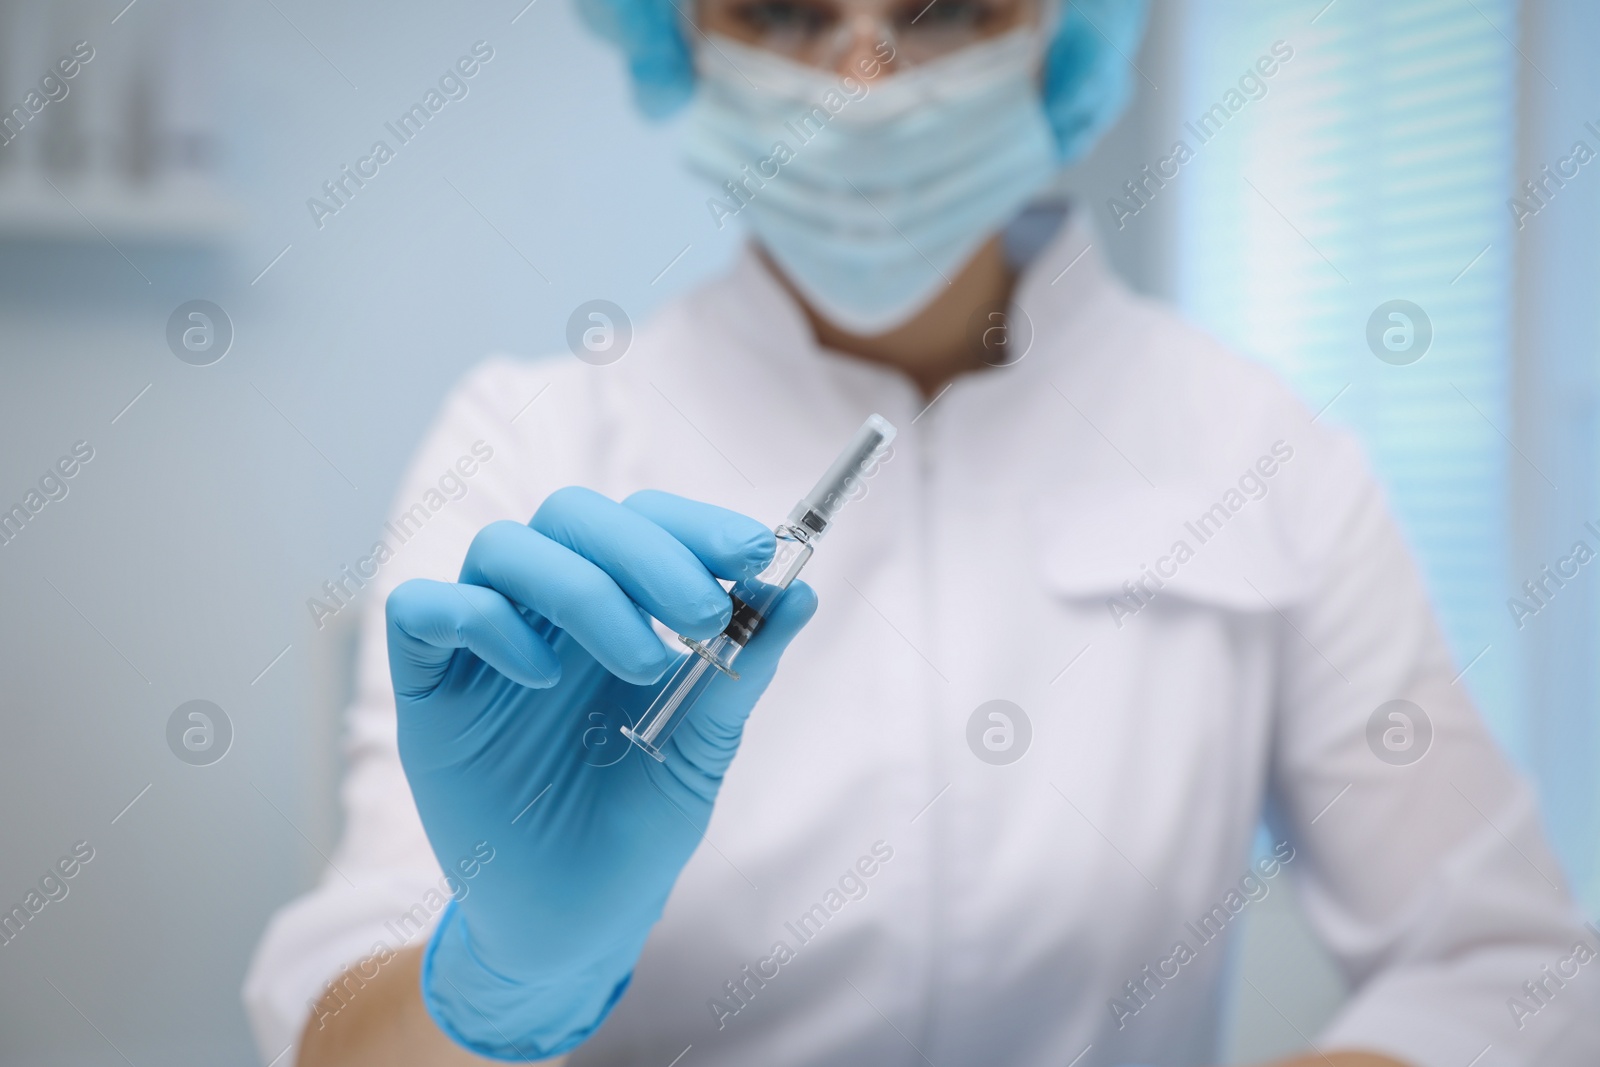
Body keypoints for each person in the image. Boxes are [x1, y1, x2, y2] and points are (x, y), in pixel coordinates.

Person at [243, 1, 1600, 1064]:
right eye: (780, 11)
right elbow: (337, 1031)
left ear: (1062, 31)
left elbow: (1512, 975)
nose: (867, 80)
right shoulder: (534, 441)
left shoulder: (1263, 455)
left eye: (949, 9)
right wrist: (499, 982)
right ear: (680, 33)